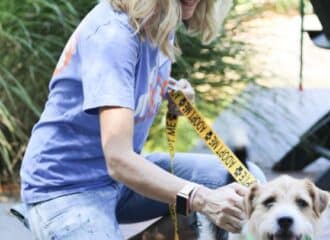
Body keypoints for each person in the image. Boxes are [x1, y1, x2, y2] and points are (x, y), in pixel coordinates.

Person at [20, 0, 266, 239]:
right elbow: (118, 159)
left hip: (120, 182)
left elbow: (126, 84)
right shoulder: (113, 35)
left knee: (247, 185)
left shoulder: (161, 20)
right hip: (65, 189)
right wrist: (202, 198)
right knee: (208, 199)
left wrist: (165, 90)